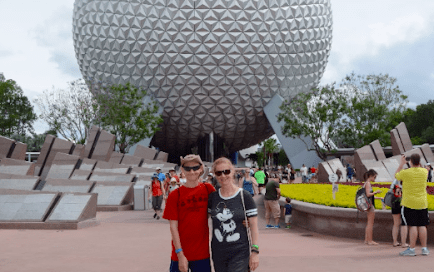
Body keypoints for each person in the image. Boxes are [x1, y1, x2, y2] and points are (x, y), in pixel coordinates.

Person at [163, 154, 216, 272]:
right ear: (182, 170)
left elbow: (223, 210)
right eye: (187, 168)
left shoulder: (208, 189)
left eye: (195, 168)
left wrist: (243, 221)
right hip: (180, 254)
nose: (192, 171)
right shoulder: (174, 195)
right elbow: (173, 227)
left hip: (202, 254)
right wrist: (180, 254)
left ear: (201, 169)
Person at [208, 157, 260, 272]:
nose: (223, 176)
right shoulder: (213, 197)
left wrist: (255, 251)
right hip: (218, 252)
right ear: (215, 175)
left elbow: (254, 226)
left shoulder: (244, 196)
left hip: (240, 251)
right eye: (218, 173)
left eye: (226, 171)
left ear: (232, 171)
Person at [395, 154, 430, 256]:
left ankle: (412, 249)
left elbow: (396, 175)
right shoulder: (424, 172)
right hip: (422, 202)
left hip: (409, 202)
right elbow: (424, 168)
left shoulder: (406, 173)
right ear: (419, 161)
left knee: (413, 225)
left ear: (410, 162)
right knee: (422, 225)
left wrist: (401, 164)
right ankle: (424, 249)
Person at [363, 169, 382, 245]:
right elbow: (368, 194)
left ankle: (366, 239)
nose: (374, 179)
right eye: (374, 177)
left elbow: (368, 196)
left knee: (368, 223)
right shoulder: (368, 183)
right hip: (370, 206)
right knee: (370, 223)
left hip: (367, 204)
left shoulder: (365, 183)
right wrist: (375, 192)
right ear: (370, 176)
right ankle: (370, 240)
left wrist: (378, 197)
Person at [389, 179, 408, 247]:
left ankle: (395, 242)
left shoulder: (395, 181)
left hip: (394, 205)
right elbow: (399, 194)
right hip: (401, 205)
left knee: (396, 224)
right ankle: (403, 243)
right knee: (404, 224)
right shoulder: (404, 184)